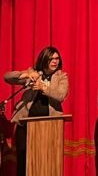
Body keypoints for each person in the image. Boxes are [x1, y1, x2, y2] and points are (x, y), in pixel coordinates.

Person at [3, 46, 69, 176]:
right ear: (44, 59)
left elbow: (61, 95)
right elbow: (7, 77)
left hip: (50, 126)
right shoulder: (34, 73)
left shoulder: (62, 76)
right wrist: (27, 74)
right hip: (26, 124)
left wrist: (43, 87)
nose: (55, 61)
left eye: (56, 58)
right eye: (51, 59)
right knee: (23, 158)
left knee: (48, 160)